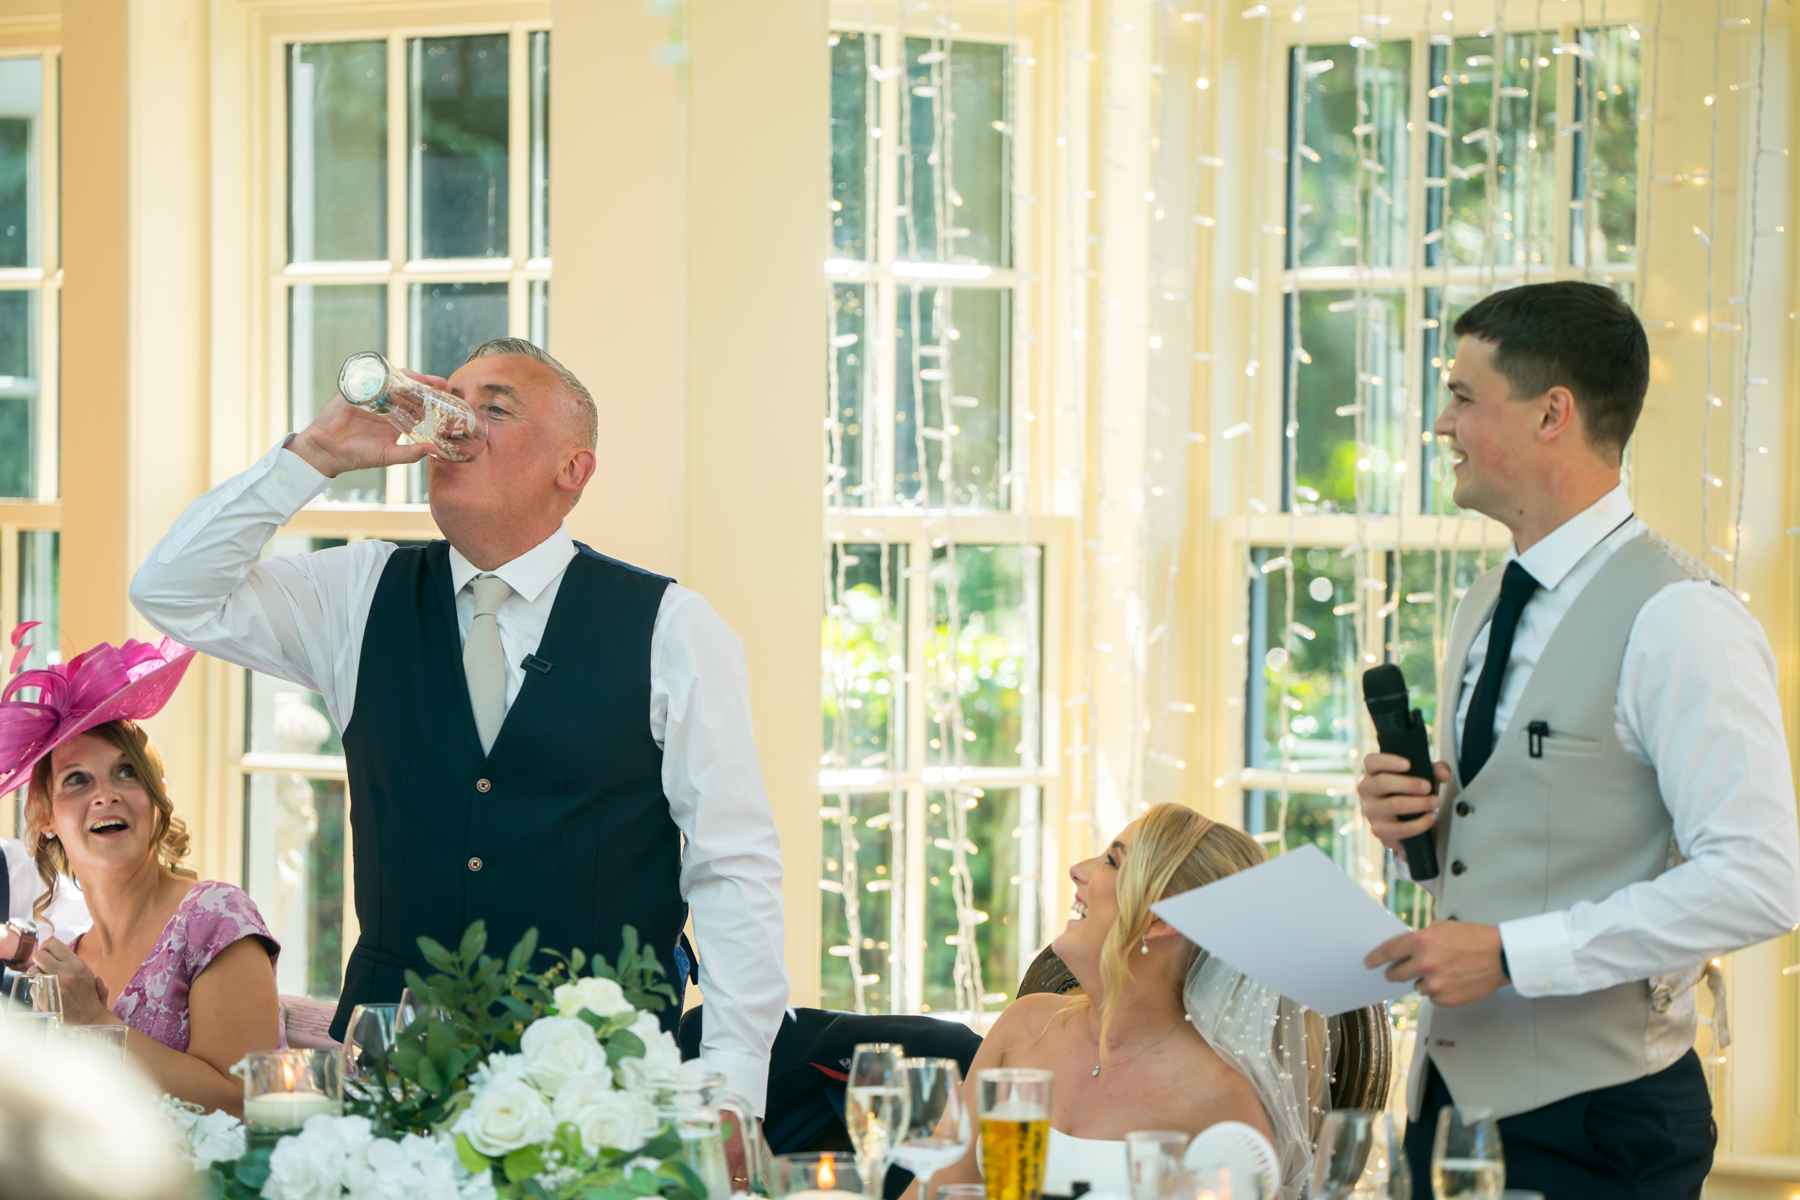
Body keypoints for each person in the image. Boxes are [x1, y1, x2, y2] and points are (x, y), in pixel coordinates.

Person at [129, 338, 788, 1112]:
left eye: (495, 408)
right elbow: (173, 593)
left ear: (572, 469)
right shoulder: (359, 592)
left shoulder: (673, 628)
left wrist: (736, 1095)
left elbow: (733, 870)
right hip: (389, 1075)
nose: (456, 427)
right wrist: (314, 454)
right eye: (452, 402)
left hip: (601, 1085)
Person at [1356, 281, 1800, 1199]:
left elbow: (1761, 881)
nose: (1444, 424)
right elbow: (1503, 852)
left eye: (1465, 397)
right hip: (1448, 1103)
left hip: (1599, 1122)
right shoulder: (1485, 604)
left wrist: (1517, 955)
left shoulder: (1682, 619)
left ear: (1553, 412)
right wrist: (1425, 828)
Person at [921, 803, 1327, 1200]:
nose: (1077, 869)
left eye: (1112, 862)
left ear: (1160, 919)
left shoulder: (1220, 1097)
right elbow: (933, 1189)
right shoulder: (1025, 1025)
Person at [0, 634, 284, 1116]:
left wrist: (93, 1021)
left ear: (155, 798)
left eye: (127, 772)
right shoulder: (71, 963)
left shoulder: (215, 918)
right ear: (45, 817)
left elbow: (247, 1106)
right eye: (77, 779)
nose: (106, 794)